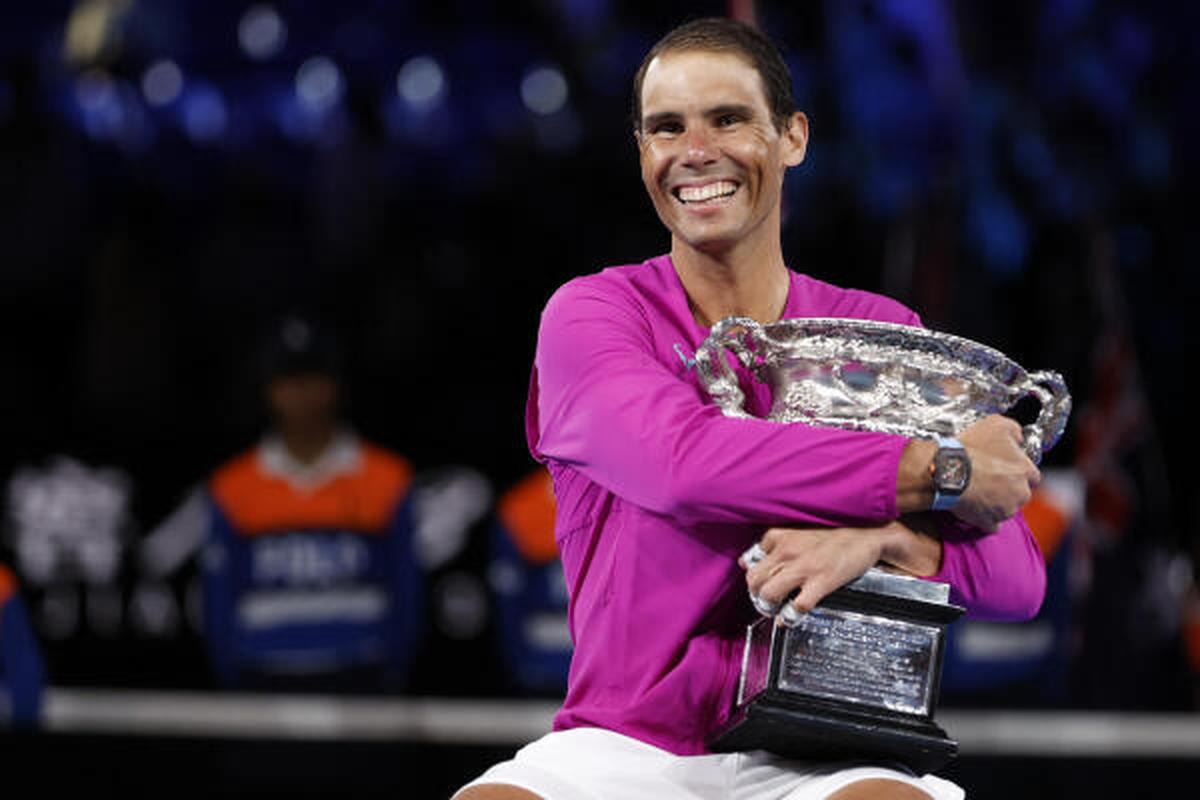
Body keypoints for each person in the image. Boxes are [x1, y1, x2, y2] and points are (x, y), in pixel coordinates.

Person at [454, 17, 1044, 800]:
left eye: (728, 119)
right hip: (625, 747)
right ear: (642, 155)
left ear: (792, 137)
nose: (696, 151)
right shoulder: (593, 316)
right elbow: (681, 467)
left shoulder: (881, 333)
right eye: (667, 128)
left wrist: (882, 541)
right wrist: (930, 471)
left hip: (827, 752)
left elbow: (1017, 578)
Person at [195, 315, 422, 690]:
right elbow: (219, 604)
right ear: (269, 390)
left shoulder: (387, 479)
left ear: (335, 386)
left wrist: (390, 678)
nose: (302, 394)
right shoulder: (232, 487)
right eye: (288, 380)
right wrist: (234, 683)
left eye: (313, 378)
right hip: (262, 687)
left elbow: (406, 595)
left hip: (361, 687)